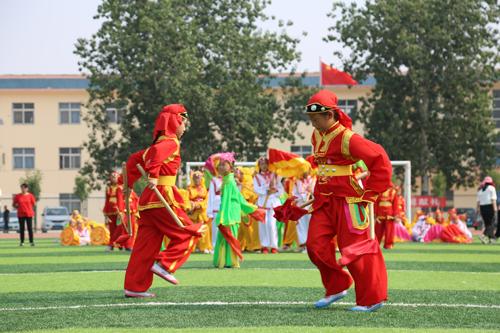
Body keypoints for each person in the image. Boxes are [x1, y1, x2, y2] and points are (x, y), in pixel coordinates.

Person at [303, 90, 392, 312]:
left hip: (349, 200)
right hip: (324, 201)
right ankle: (337, 286)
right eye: (311, 118)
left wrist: (370, 193)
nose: (312, 122)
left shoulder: (347, 138)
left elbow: (379, 159)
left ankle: (371, 299)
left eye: (316, 118)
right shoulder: (317, 135)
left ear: (331, 115)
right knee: (315, 246)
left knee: (355, 250)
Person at [123, 104, 206, 298]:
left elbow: (134, 160)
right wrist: (152, 175)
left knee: (144, 247)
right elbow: (159, 154)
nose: (185, 128)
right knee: (189, 232)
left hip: (149, 202)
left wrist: (127, 182)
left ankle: (134, 287)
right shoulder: (171, 142)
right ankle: (165, 265)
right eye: (184, 123)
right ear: (176, 121)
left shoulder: (151, 148)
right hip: (163, 197)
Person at [212, 153, 264, 268]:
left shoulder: (229, 181)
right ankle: (224, 261)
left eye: (223, 165)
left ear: (230, 167)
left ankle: (230, 262)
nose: (220, 167)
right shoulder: (227, 180)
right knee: (224, 237)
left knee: (229, 237)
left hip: (229, 215)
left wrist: (222, 216)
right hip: (228, 213)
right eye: (219, 165)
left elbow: (228, 201)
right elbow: (238, 198)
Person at [253, 157, 284, 254]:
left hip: (273, 202)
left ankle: (274, 246)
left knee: (271, 224)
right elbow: (256, 189)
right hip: (263, 202)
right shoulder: (256, 177)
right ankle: (264, 246)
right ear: (259, 166)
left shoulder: (275, 175)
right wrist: (266, 190)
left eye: (266, 164)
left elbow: (280, 189)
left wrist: (274, 191)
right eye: (262, 164)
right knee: (263, 224)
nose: (264, 166)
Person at [187, 171, 212, 253]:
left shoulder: (204, 189)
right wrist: (192, 205)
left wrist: (199, 205)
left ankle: (204, 247)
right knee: (193, 230)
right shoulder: (189, 189)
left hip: (202, 213)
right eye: (195, 177)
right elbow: (186, 200)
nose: (197, 179)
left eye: (198, 177)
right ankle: (192, 247)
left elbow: (207, 200)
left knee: (204, 229)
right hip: (193, 213)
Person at [103, 171, 125, 251]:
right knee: (112, 229)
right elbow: (106, 200)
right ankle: (112, 245)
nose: (113, 178)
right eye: (112, 177)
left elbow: (120, 200)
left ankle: (116, 244)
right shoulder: (108, 188)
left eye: (115, 176)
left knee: (119, 229)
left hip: (119, 210)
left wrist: (121, 210)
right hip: (110, 210)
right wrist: (105, 211)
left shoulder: (121, 187)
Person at [375, 185, 399, 249]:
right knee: (377, 231)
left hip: (389, 214)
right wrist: (375, 213)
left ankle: (388, 245)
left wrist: (396, 215)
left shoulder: (393, 192)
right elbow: (376, 203)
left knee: (389, 231)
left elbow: (395, 204)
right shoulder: (378, 191)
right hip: (380, 213)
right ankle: (376, 244)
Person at [477, 176, 497, 244]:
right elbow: (493, 199)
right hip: (489, 207)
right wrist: (495, 209)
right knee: (491, 223)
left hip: (482, 208)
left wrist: (478, 210)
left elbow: (478, 202)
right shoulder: (492, 188)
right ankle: (483, 235)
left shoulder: (480, 190)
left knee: (487, 224)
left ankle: (492, 239)